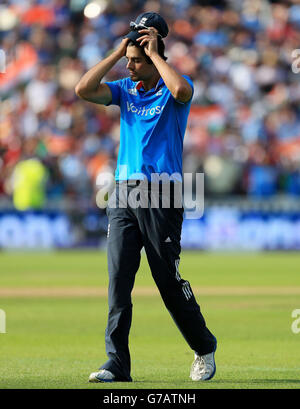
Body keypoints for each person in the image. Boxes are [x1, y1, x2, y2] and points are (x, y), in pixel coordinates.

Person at [75, 12, 217, 383]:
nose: (131, 67)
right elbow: (83, 89)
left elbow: (183, 92)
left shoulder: (173, 86)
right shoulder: (125, 89)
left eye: (136, 61)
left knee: (166, 281)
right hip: (122, 193)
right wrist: (117, 51)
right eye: (129, 61)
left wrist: (154, 56)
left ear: (155, 55)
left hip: (162, 194)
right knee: (118, 280)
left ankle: (203, 347)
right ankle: (117, 363)